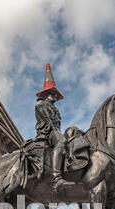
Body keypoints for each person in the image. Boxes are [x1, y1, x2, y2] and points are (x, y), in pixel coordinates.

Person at [35, 64, 75, 192]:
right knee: (62, 141)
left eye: (55, 94)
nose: (55, 96)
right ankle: (56, 178)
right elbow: (48, 122)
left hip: (55, 132)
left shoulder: (56, 110)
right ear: (46, 94)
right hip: (47, 133)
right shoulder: (40, 104)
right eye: (53, 93)